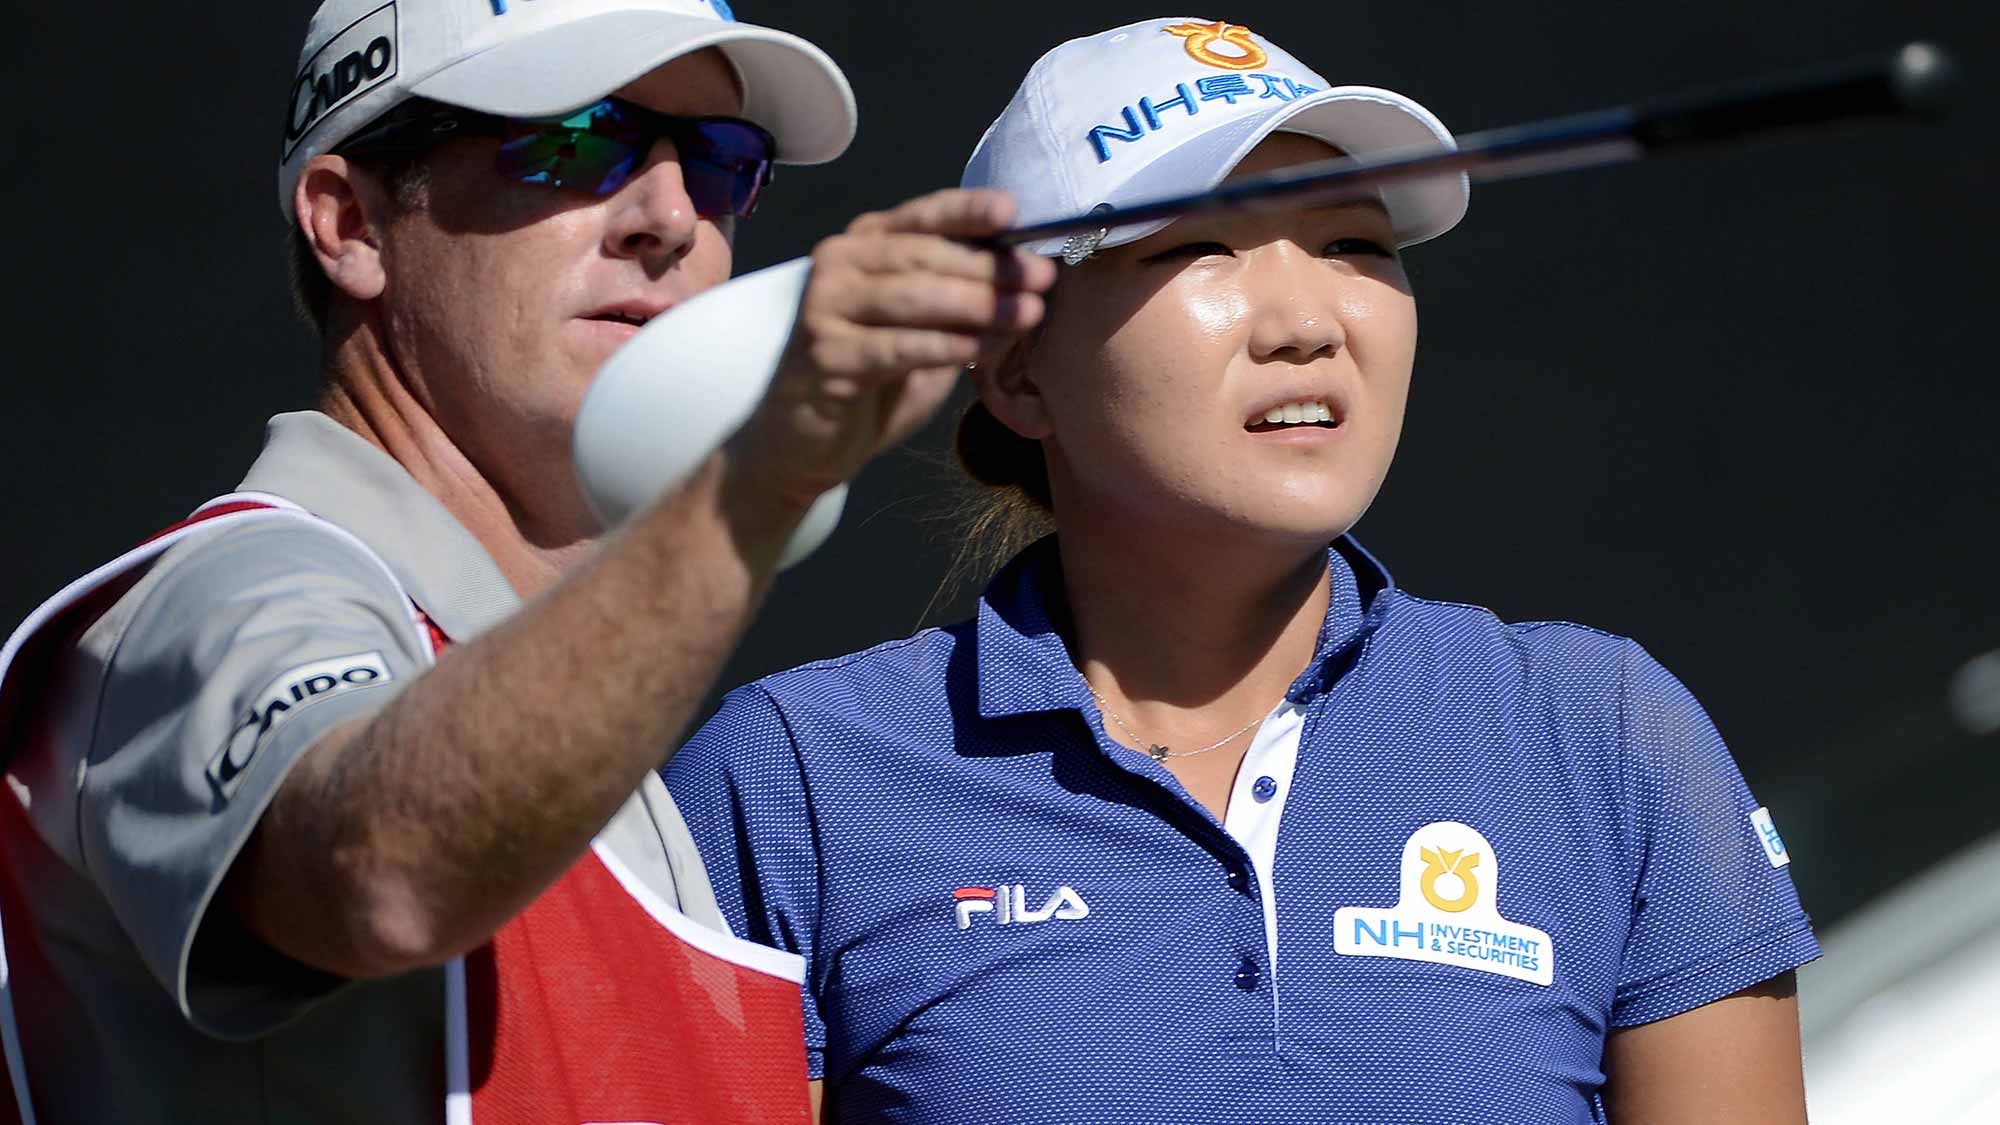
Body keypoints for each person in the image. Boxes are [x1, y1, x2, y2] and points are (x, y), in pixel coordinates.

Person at [663, 17, 1819, 1124]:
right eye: (1200, 245)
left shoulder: (1602, 736)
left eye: (1353, 245)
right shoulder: (791, 783)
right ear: (1018, 375)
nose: (1306, 322)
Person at [0, 1, 1053, 1122]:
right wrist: (750, 485)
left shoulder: (588, 714)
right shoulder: (230, 588)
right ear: (349, 221)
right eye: (573, 140)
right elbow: (384, 872)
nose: (670, 217)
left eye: (718, 161)